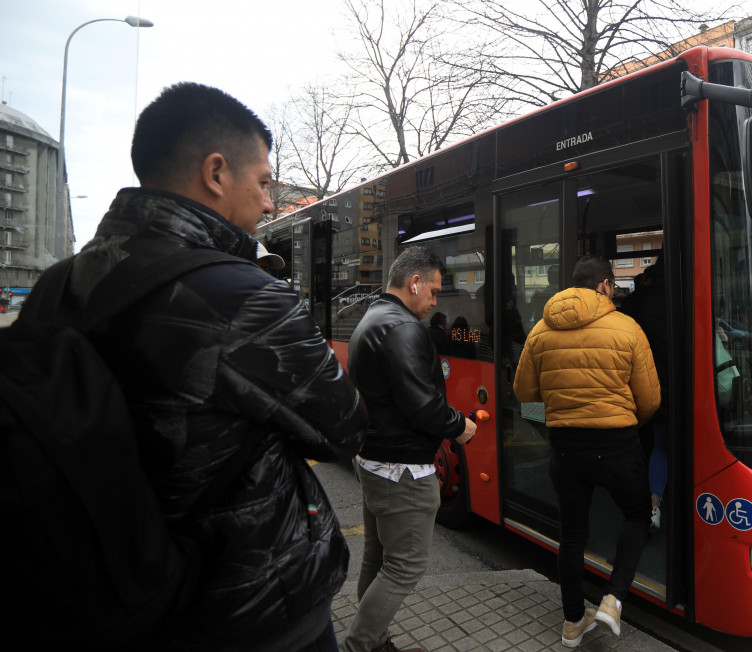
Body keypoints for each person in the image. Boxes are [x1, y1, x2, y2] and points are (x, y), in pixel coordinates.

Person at [21, 82, 368, 651]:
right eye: (261, 182)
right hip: (250, 609)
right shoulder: (241, 293)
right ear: (215, 173)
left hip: (104, 594)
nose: (267, 203)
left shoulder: (57, 286)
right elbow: (346, 429)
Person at [513, 254, 660, 648]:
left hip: (565, 444)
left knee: (572, 533)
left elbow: (524, 393)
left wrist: (562, 402)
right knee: (637, 513)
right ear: (606, 286)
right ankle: (613, 600)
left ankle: (573, 623)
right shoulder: (627, 327)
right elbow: (649, 400)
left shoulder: (541, 331)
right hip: (617, 444)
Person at [343, 245, 478, 652]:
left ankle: (376, 640)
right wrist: (460, 426)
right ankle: (360, 645)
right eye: (434, 291)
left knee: (377, 556)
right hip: (402, 468)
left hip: (375, 458)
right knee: (406, 565)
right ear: (414, 282)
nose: (436, 301)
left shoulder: (373, 316)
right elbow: (421, 404)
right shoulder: (402, 327)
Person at [619, 262, 669, 531]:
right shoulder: (683, 295)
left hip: (649, 383)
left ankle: (653, 506)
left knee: (657, 446)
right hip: (686, 387)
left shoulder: (636, 303)